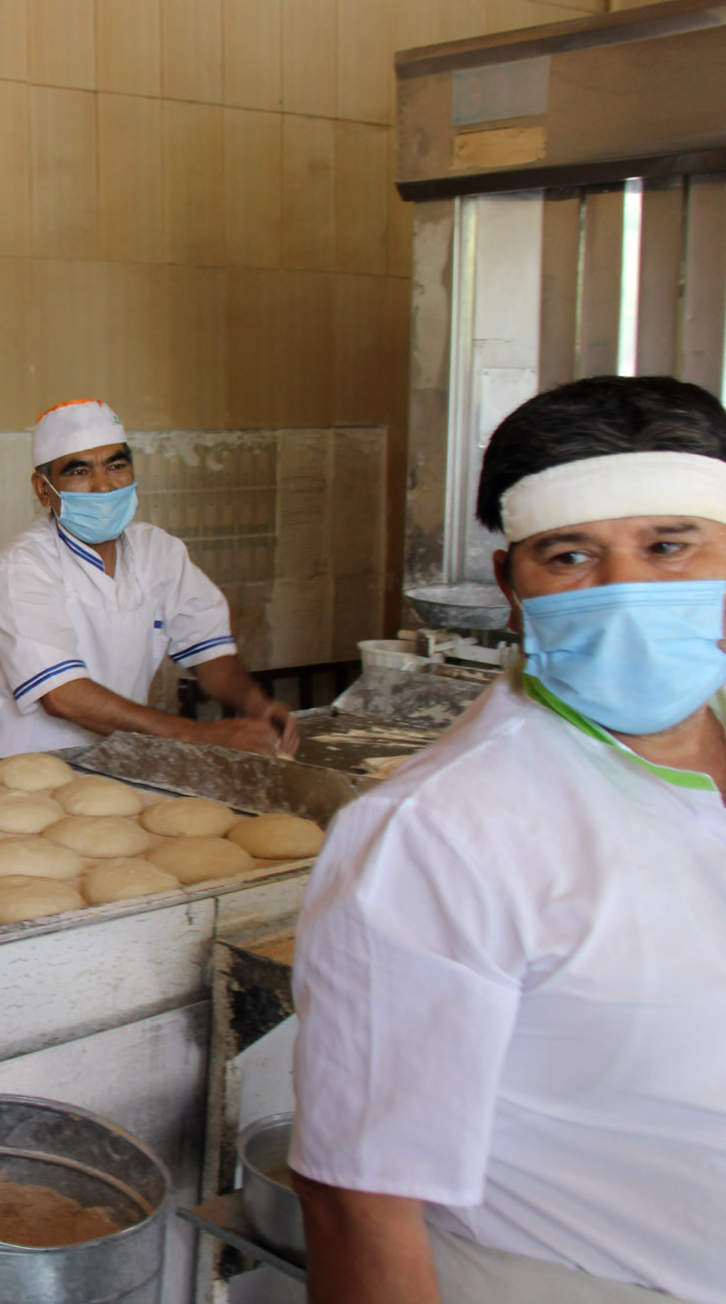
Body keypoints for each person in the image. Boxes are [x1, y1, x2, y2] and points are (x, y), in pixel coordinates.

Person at [291, 374, 726, 1303]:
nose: (626, 592)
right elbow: (357, 1200)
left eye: (669, 546)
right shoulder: (442, 832)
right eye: (568, 556)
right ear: (510, 586)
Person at [0, 398, 298, 757]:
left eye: (116, 465)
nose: (103, 486)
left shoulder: (158, 551)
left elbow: (208, 649)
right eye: (79, 471)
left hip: (124, 763)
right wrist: (196, 735)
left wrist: (255, 704)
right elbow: (62, 697)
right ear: (43, 489)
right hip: (41, 774)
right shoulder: (22, 566)